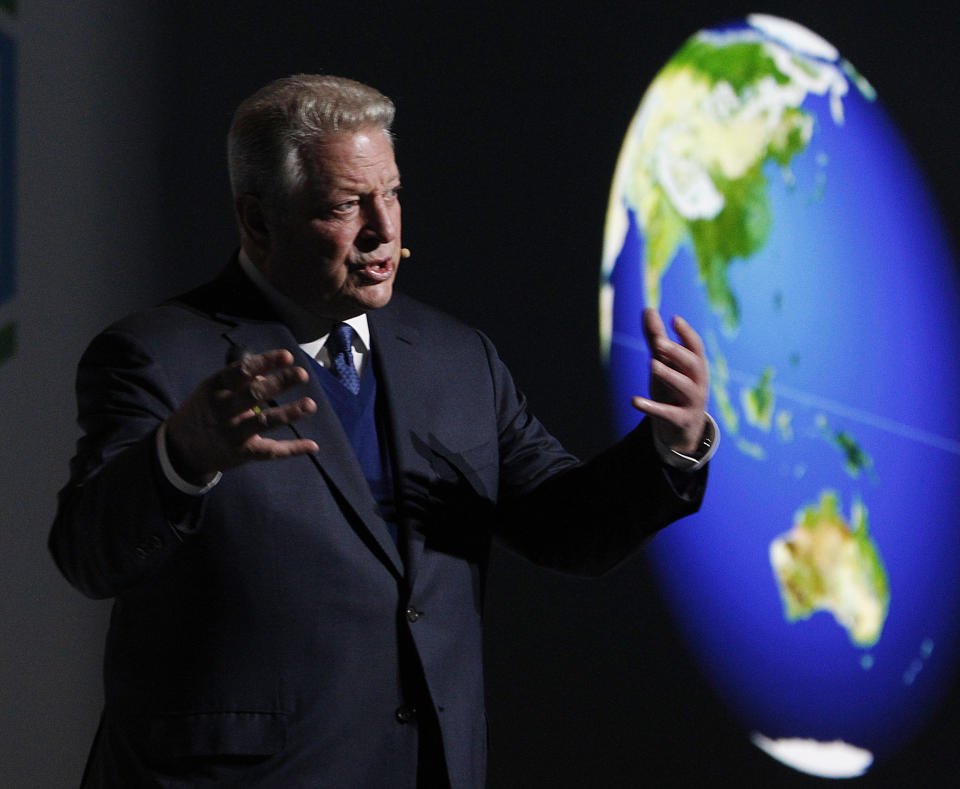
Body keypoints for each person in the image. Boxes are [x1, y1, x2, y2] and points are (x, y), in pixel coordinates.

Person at [50, 74, 717, 788]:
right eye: (344, 204)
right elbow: (89, 555)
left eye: (391, 194)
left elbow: (566, 527)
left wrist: (669, 450)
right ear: (258, 221)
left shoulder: (457, 358)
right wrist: (181, 456)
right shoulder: (158, 356)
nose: (384, 230)